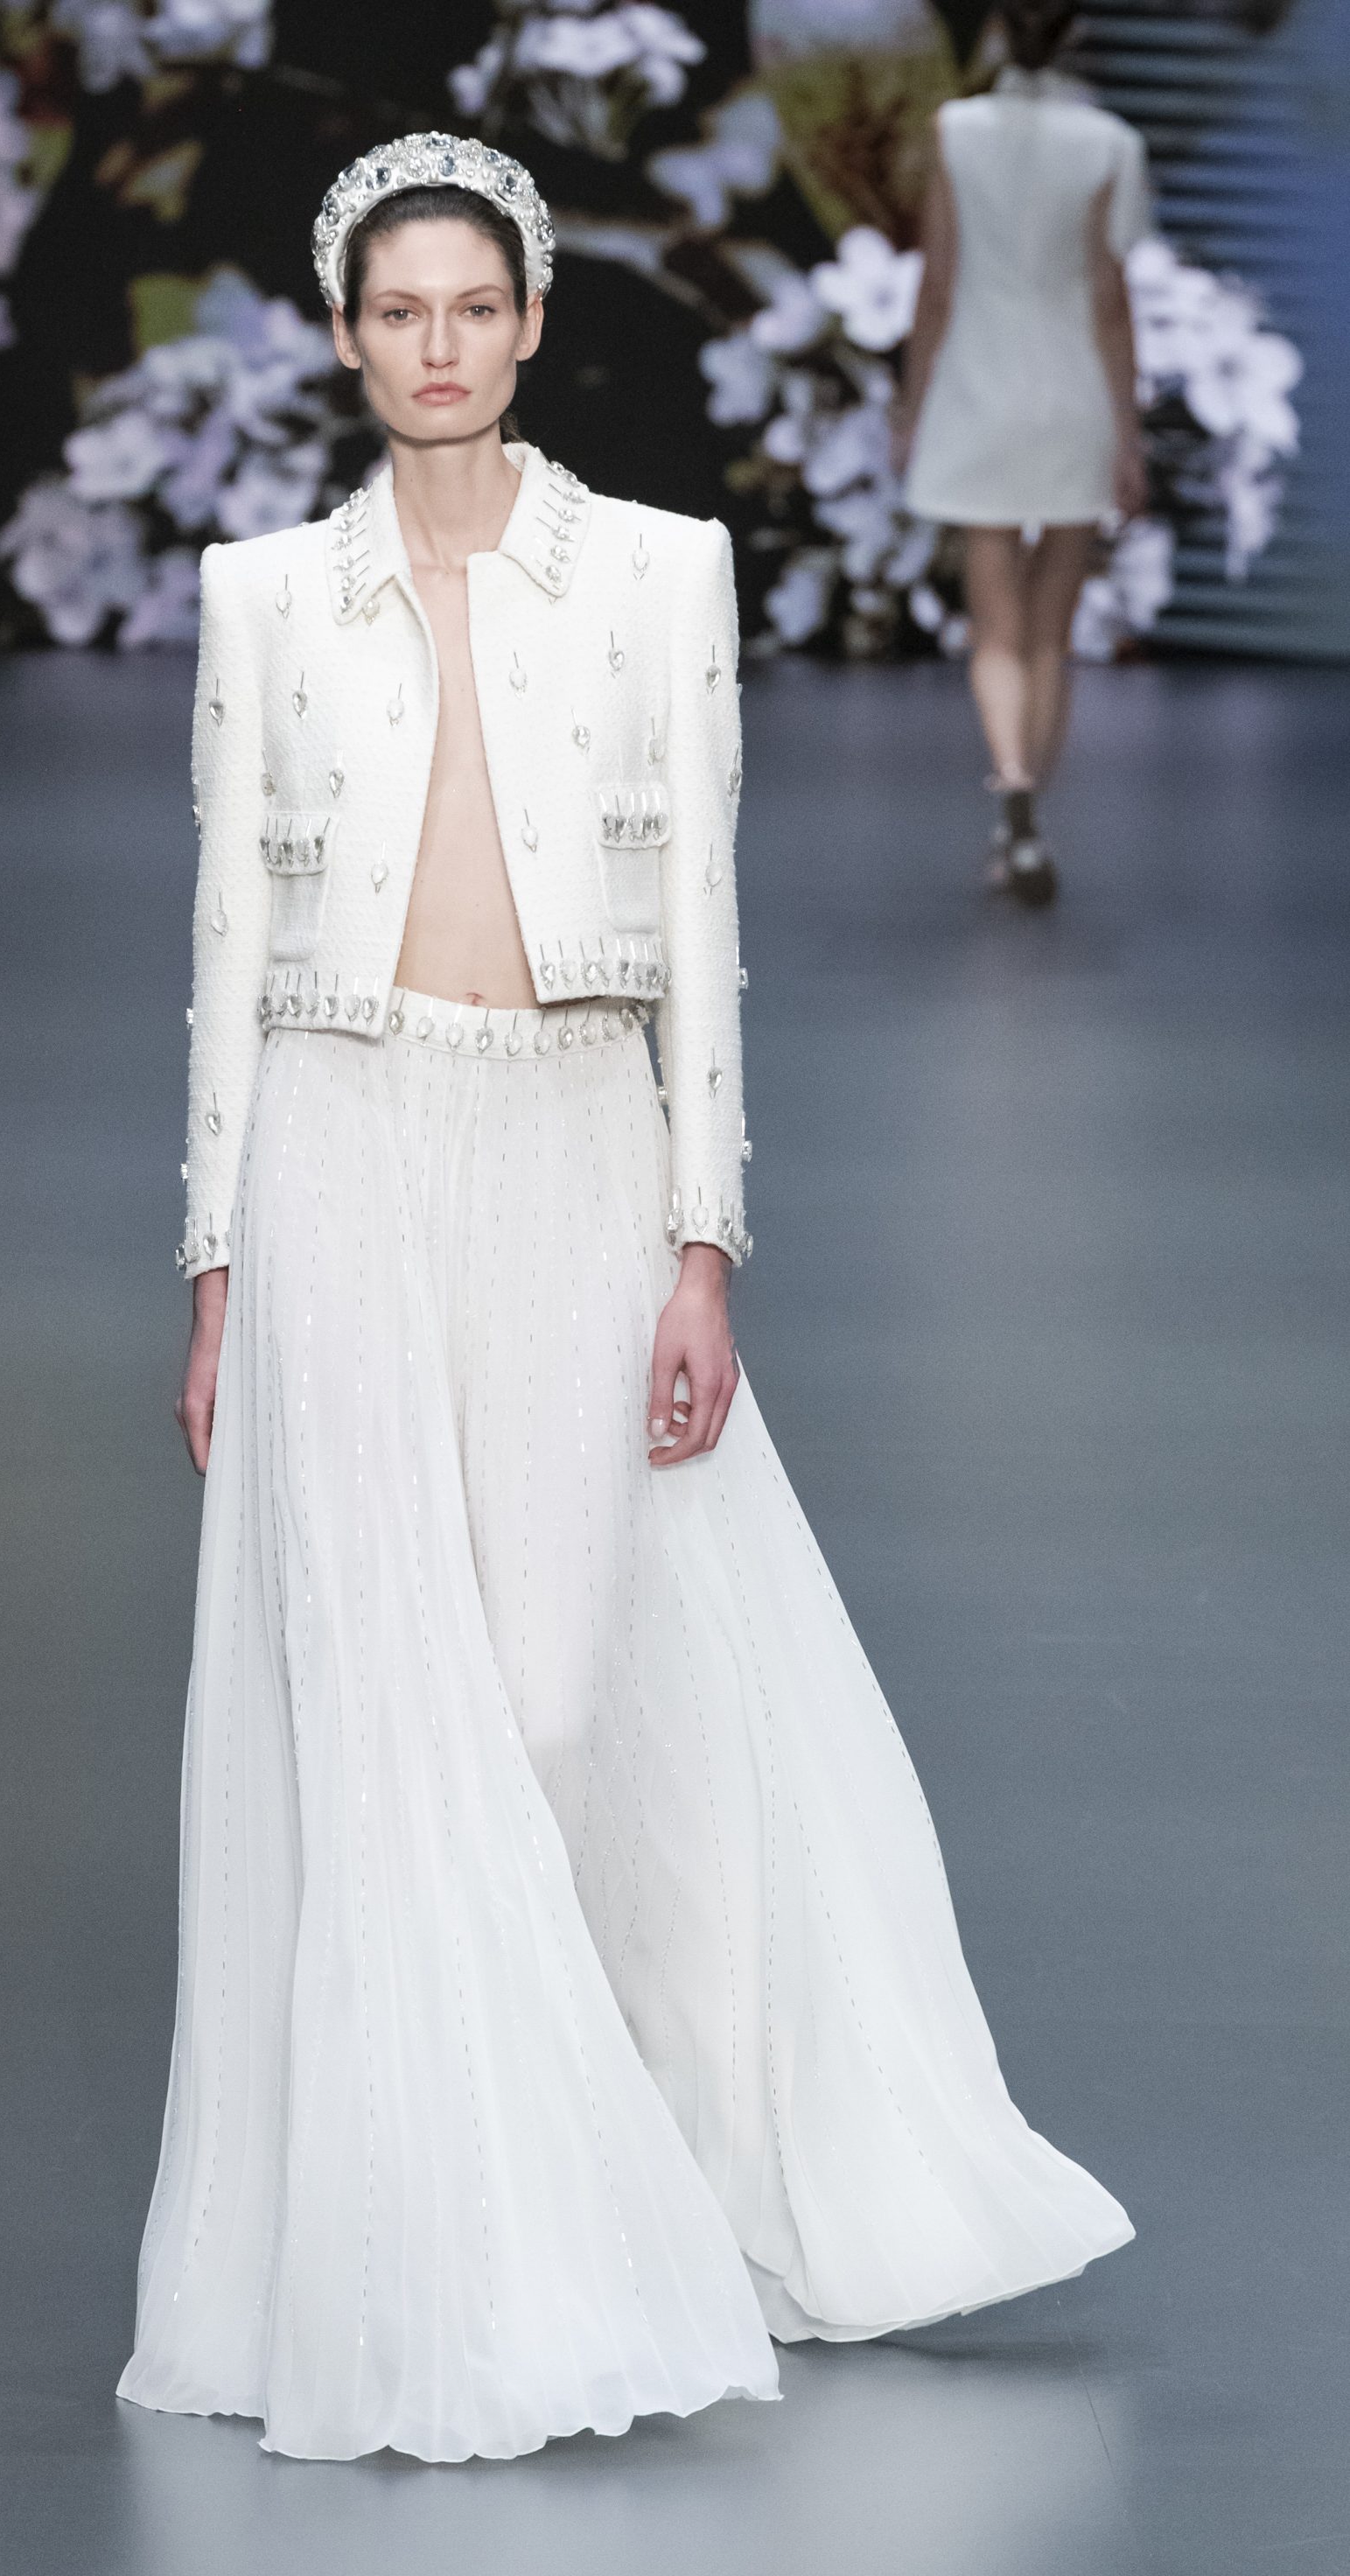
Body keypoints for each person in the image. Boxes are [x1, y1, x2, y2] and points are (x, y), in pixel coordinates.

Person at [115, 130, 1132, 2464]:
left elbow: (701, 942)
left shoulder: (663, 575)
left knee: (559, 1703)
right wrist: (213, 1269)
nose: (439, 345)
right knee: (385, 1715)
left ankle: (617, 2181)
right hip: (336, 1149)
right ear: (347, 335)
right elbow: (224, 953)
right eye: (400, 311)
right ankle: (453, 2263)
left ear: (533, 323)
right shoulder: (262, 596)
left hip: (577, 1144)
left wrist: (702, 1241)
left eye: (475, 306)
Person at [892, 2, 1151, 906]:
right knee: (1049, 633)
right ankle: (1027, 815)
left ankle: (1011, 795)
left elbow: (936, 287)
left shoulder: (955, 130)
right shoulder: (1110, 143)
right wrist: (1129, 434)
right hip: (1074, 399)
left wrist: (910, 408)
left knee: (996, 629)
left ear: (1001, 32)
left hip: (977, 391)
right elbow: (1109, 302)